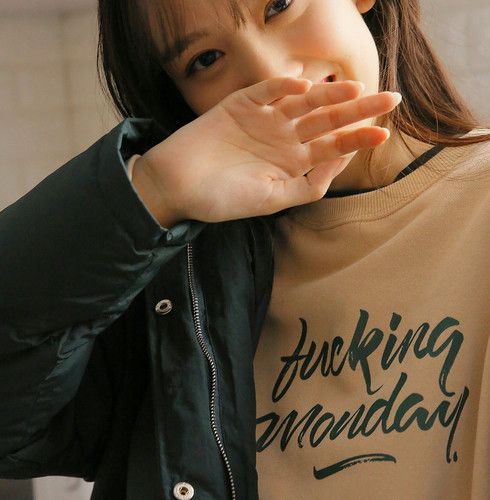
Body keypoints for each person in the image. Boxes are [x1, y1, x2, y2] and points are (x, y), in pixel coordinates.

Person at [0, 0, 489, 498]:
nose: (271, 75)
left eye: (279, 5)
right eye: (206, 60)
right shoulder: (170, 287)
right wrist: (152, 190)